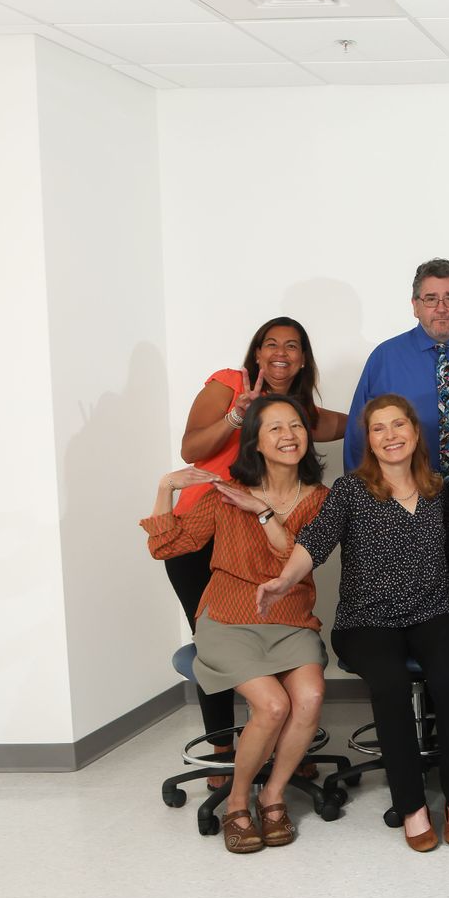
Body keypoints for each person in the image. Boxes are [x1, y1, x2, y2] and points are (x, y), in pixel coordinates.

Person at [256, 396, 449, 852]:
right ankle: (413, 806)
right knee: (391, 682)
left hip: (432, 610)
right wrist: (283, 580)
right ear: (369, 441)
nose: (391, 435)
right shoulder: (351, 490)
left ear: (415, 434)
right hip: (366, 620)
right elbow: (314, 543)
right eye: (379, 429)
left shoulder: (436, 489)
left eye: (399, 425)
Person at [142, 394, 329, 855]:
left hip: (289, 619)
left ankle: (273, 795)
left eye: (296, 426)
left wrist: (262, 512)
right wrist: (167, 486)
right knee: (271, 706)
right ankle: (238, 803)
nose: (289, 436)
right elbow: (169, 547)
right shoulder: (224, 493)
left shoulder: (323, 499)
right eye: (275, 429)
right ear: (257, 444)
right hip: (227, 617)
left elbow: (295, 564)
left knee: (310, 696)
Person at [167, 316, 345, 786]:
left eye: (292, 346)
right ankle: (224, 748)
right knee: (220, 635)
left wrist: (396, 418)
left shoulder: (299, 411)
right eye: (271, 344)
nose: (281, 353)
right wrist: (235, 416)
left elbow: (353, 423)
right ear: (257, 352)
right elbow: (191, 449)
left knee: (279, 620)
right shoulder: (229, 385)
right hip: (206, 526)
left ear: (304, 358)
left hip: (268, 527)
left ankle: (288, 739)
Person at [345, 259, 449, 615]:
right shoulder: (385, 358)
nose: (442, 307)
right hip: (409, 494)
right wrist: (364, 498)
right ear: (415, 305)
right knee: (426, 596)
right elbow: (360, 433)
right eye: (431, 298)